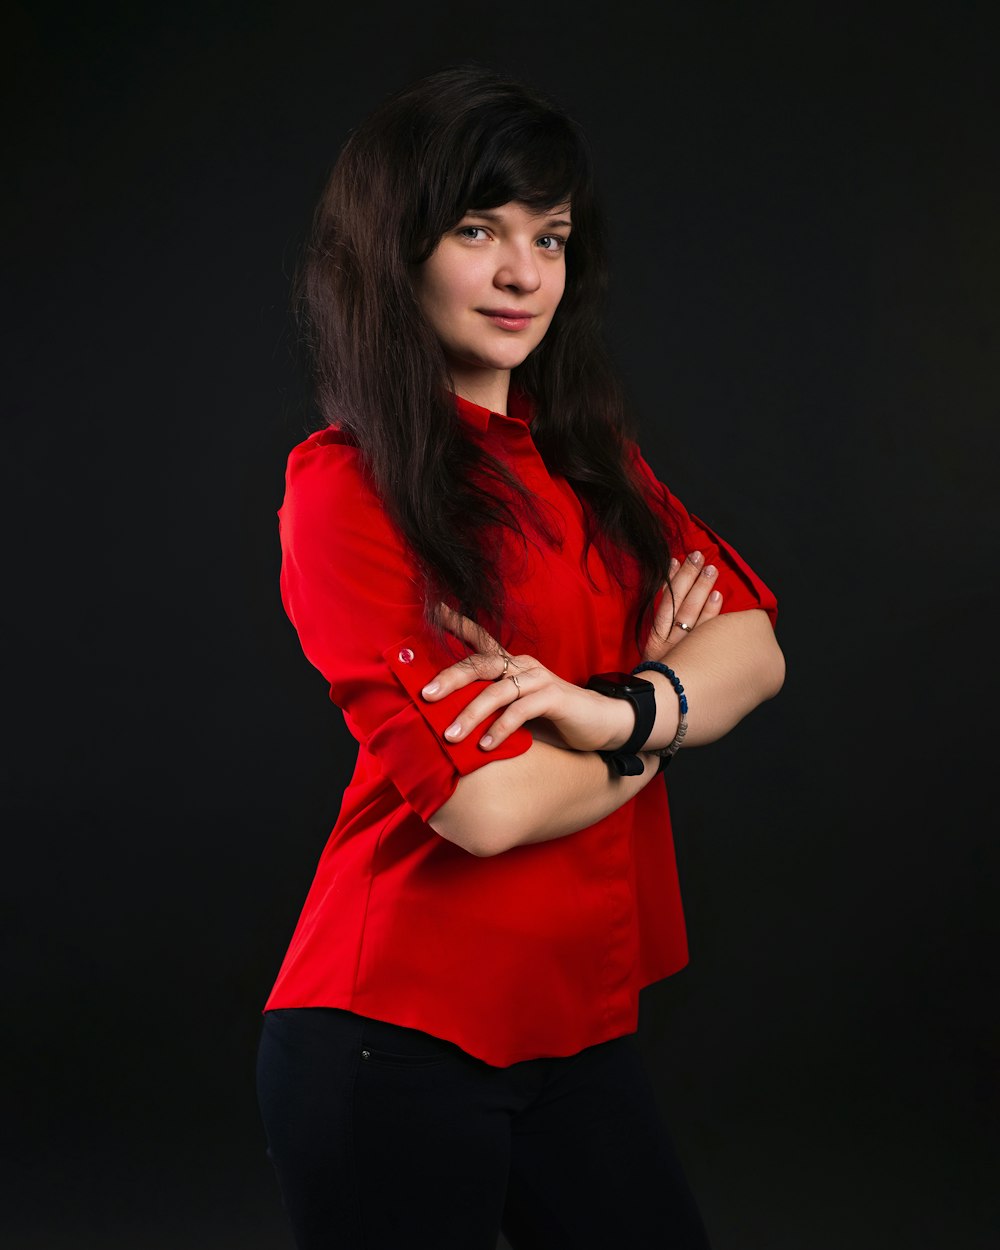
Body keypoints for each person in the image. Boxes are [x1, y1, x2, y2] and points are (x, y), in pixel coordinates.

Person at [255, 63, 785, 1250]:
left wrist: (605, 713)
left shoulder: (590, 460)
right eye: (476, 230)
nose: (520, 273)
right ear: (396, 251)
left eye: (547, 236)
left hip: (576, 1028)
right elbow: (483, 808)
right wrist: (655, 732)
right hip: (391, 1034)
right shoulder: (345, 487)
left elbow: (752, 649)